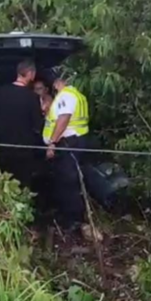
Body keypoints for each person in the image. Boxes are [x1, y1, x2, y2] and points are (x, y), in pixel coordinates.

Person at [42, 73, 101, 240]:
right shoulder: (77, 95)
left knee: (67, 181)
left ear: (56, 84)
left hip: (68, 143)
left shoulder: (65, 96)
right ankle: (73, 216)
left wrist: (52, 143)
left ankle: (71, 220)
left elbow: (64, 119)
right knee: (72, 179)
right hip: (77, 142)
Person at [0, 59, 44, 189]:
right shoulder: (32, 97)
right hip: (24, 150)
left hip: (2, 147)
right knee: (23, 184)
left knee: (4, 184)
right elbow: (38, 125)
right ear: (31, 73)